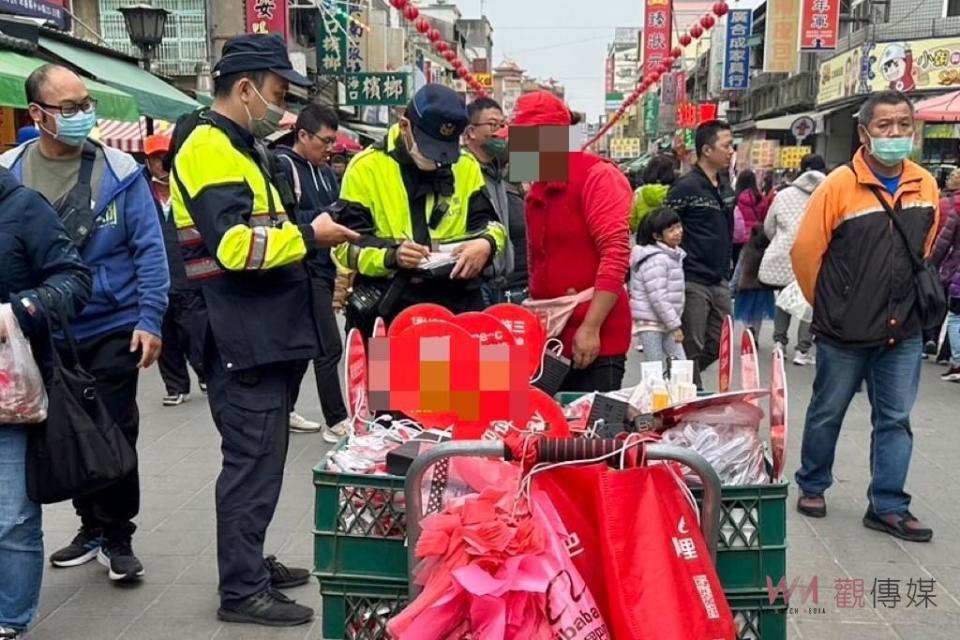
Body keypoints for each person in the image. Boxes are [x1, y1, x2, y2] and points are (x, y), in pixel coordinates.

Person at [169, 34, 358, 625]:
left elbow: (266, 223)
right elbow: (230, 247)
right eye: (278, 93)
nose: (283, 107)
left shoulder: (242, 145)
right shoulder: (207, 146)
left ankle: (248, 560)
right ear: (246, 88)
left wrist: (318, 221)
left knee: (266, 458)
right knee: (251, 460)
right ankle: (241, 590)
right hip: (235, 329)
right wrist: (310, 237)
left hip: (263, 328)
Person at [0, 64, 169, 582]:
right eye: (68, 108)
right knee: (66, 433)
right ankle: (89, 526)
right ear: (38, 114)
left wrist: (150, 318)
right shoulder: (11, 171)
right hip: (41, 332)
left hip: (112, 324)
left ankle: (119, 535)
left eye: (86, 104)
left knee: (114, 430)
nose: (81, 116)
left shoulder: (119, 168)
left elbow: (149, 248)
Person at [792, 90, 939, 542]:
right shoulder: (838, 185)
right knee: (827, 410)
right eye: (884, 126)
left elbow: (924, 248)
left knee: (895, 418)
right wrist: (832, 306)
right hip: (844, 329)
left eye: (903, 125)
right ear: (864, 133)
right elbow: (805, 253)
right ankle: (813, 484)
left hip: (905, 329)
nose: (894, 134)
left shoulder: (925, 183)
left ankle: (888, 505)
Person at [0, 167, 92, 640]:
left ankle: (9, 621)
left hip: (9, 395)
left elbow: (75, 280)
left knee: (12, 516)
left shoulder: (22, 207)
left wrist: (17, 311)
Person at [334, 84, 506, 336]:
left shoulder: (465, 165)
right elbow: (345, 247)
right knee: (385, 377)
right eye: (430, 148)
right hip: (390, 312)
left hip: (455, 308)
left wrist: (486, 244)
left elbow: (492, 224)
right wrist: (393, 256)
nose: (437, 160)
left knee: (461, 375)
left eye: (444, 151)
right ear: (405, 126)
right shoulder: (365, 168)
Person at [515, 90, 633, 392]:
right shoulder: (536, 190)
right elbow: (536, 261)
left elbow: (616, 254)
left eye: (521, 141)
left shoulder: (597, 175)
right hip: (549, 335)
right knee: (541, 427)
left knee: (590, 432)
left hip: (594, 332)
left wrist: (591, 326)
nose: (514, 150)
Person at [275, 104, 350, 441]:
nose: (329, 148)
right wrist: (322, 220)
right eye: (325, 141)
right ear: (302, 135)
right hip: (299, 267)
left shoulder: (324, 170)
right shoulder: (283, 165)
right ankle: (336, 420)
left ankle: (283, 410)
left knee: (305, 347)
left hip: (324, 267)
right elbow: (283, 220)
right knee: (329, 345)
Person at [664, 120, 735, 388]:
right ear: (707, 150)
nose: (730, 151)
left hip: (719, 278)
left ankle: (678, 379)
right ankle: (689, 391)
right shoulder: (686, 187)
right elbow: (665, 225)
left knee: (719, 342)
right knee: (691, 343)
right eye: (726, 145)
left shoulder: (725, 186)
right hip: (691, 276)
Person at [144, 134, 206, 406]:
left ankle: (205, 372)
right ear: (148, 162)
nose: (163, 164)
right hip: (157, 277)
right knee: (165, 335)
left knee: (196, 331)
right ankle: (175, 385)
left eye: (166, 157)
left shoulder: (187, 189)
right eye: (157, 159)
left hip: (188, 275)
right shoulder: (142, 193)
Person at [759, 153, 827, 365]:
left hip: (784, 255)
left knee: (784, 301)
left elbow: (768, 226)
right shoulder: (828, 194)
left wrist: (780, 240)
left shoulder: (784, 194)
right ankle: (802, 350)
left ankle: (779, 343)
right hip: (814, 256)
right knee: (809, 303)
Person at [462, 96, 528, 305]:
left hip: (508, 283)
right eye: (492, 125)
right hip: (474, 283)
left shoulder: (500, 167)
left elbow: (559, 153)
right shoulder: (459, 169)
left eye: (502, 125)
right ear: (470, 132)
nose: (500, 132)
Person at [629, 207, 686, 364]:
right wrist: (675, 325)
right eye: (671, 229)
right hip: (651, 323)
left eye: (678, 226)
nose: (678, 232)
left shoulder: (672, 256)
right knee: (655, 369)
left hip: (664, 321)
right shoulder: (657, 260)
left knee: (680, 365)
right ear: (656, 236)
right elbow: (658, 297)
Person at [931, 195, 960, 382]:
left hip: (958, 270)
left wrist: (931, 265)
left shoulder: (956, 208)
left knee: (955, 317)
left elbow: (943, 242)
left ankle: (957, 363)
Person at [731, 224, 775, 342]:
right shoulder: (768, 252)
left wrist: (733, 287)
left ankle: (748, 328)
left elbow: (738, 270)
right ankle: (755, 337)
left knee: (746, 312)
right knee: (758, 315)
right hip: (762, 287)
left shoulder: (746, 250)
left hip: (745, 287)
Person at [630, 154, 675, 234]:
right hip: (669, 238)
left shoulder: (639, 192)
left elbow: (631, 223)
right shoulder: (673, 192)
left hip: (644, 238)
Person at [733, 170, 767, 265]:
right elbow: (764, 217)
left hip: (738, 237)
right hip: (755, 236)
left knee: (737, 264)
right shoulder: (761, 198)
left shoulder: (736, 198)